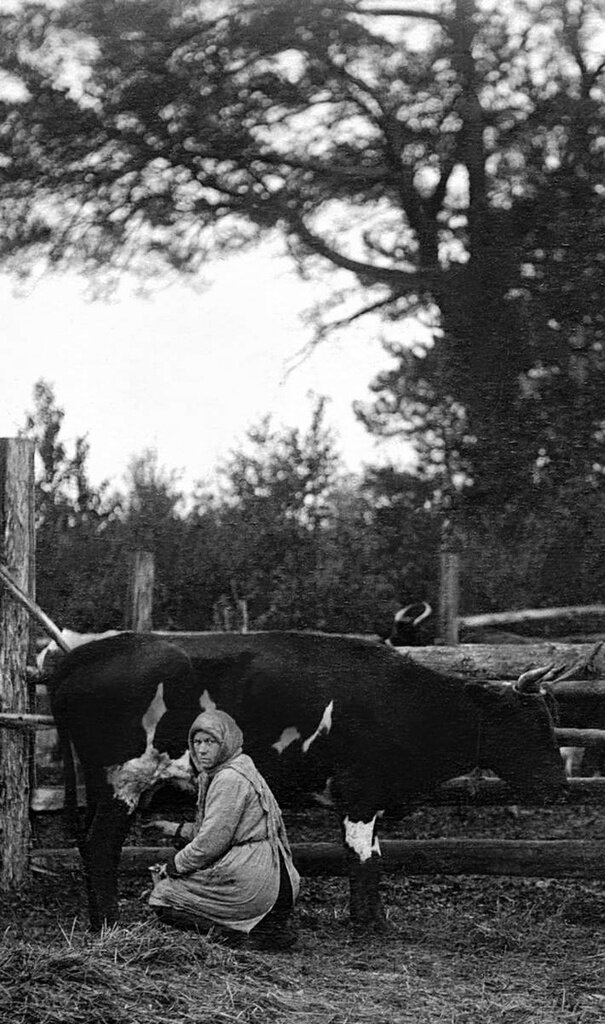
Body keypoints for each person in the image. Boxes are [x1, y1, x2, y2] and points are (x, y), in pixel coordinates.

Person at [149, 709, 300, 950]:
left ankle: (238, 938)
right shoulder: (236, 766)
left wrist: (173, 866)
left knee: (163, 896)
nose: (202, 750)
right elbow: (217, 828)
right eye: (197, 742)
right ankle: (267, 929)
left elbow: (210, 843)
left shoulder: (229, 778)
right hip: (273, 877)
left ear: (226, 742)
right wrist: (175, 829)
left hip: (257, 881)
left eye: (210, 742)